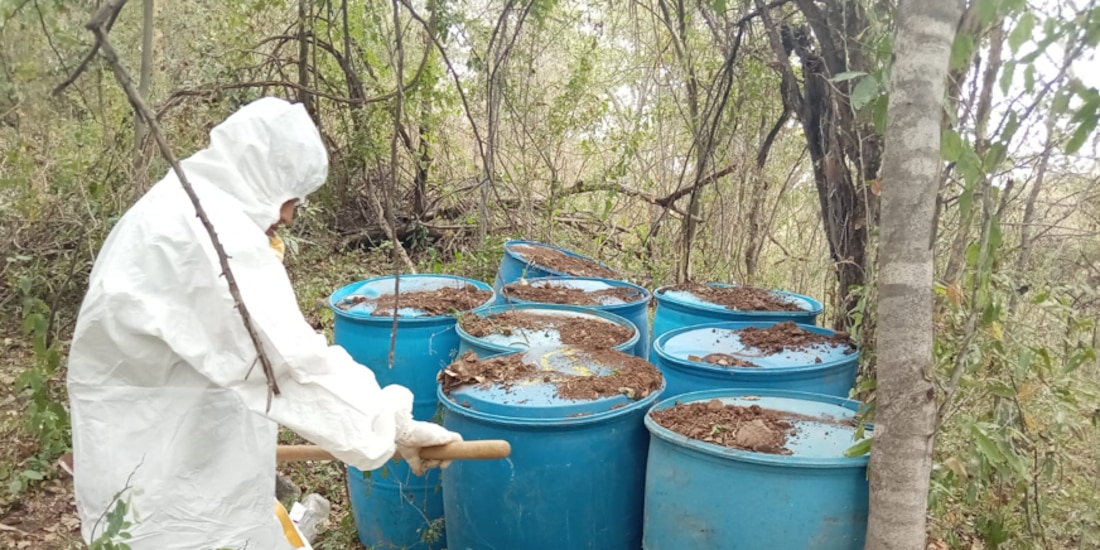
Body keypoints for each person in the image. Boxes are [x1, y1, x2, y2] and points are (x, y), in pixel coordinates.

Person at [65, 97, 462, 549]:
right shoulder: (202, 237)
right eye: (290, 198)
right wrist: (393, 427)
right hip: (167, 491)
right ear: (257, 175)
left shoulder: (178, 208)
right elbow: (285, 364)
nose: (289, 215)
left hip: (170, 461)